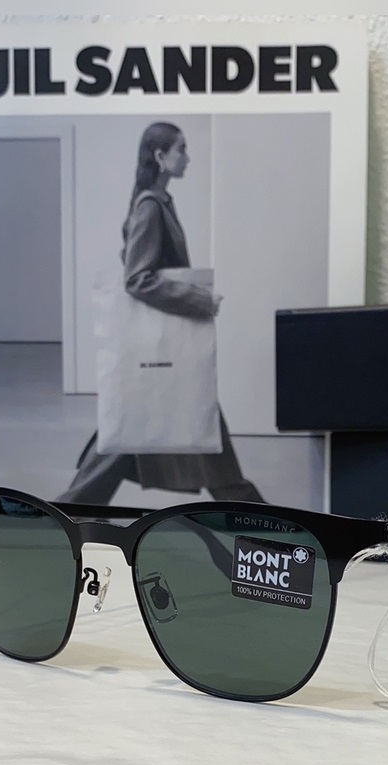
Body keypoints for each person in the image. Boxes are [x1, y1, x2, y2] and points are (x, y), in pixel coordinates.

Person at [57, 121, 265, 505]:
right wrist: (199, 299)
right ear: (160, 156)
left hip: (163, 354)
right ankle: (266, 525)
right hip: (169, 354)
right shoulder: (151, 207)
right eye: (181, 149)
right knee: (190, 437)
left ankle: (60, 516)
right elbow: (137, 278)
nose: (188, 157)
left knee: (127, 438)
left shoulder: (157, 203)